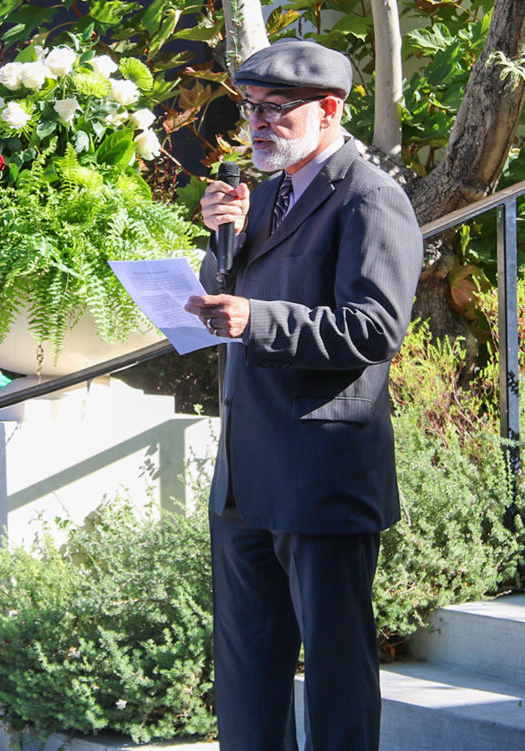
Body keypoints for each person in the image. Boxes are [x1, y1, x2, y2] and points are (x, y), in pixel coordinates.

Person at [184, 39, 424, 751]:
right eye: (250, 108)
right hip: (246, 478)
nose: (256, 123)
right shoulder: (268, 195)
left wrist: (257, 318)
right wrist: (222, 240)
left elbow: (375, 329)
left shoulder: (372, 198)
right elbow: (235, 296)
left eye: (274, 110)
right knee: (247, 677)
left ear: (328, 109)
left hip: (320, 478)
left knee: (336, 677)